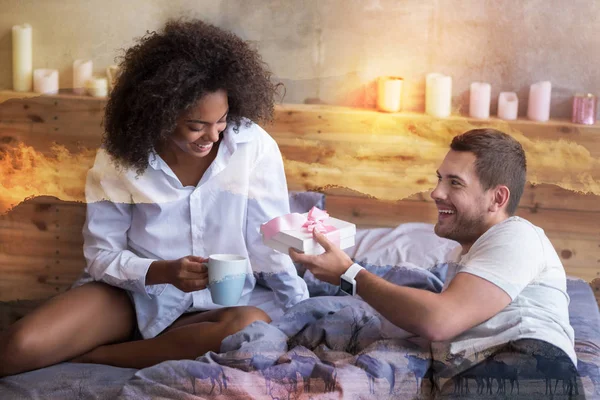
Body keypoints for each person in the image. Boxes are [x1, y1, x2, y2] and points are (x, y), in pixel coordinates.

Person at [0, 19, 308, 377]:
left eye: (221, 121)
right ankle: (147, 347)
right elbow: (101, 255)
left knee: (248, 327)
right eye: (196, 125)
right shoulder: (121, 158)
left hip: (221, 304)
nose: (213, 135)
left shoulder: (253, 146)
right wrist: (163, 272)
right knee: (19, 348)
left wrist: (300, 310)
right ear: (160, 113)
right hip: (132, 297)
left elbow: (271, 239)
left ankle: (97, 357)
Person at [290, 129, 576, 369]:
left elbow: (439, 320)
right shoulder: (461, 258)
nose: (436, 192)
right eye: (440, 179)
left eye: (455, 183)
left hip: (527, 367)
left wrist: (350, 273)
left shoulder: (518, 235)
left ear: (497, 198)